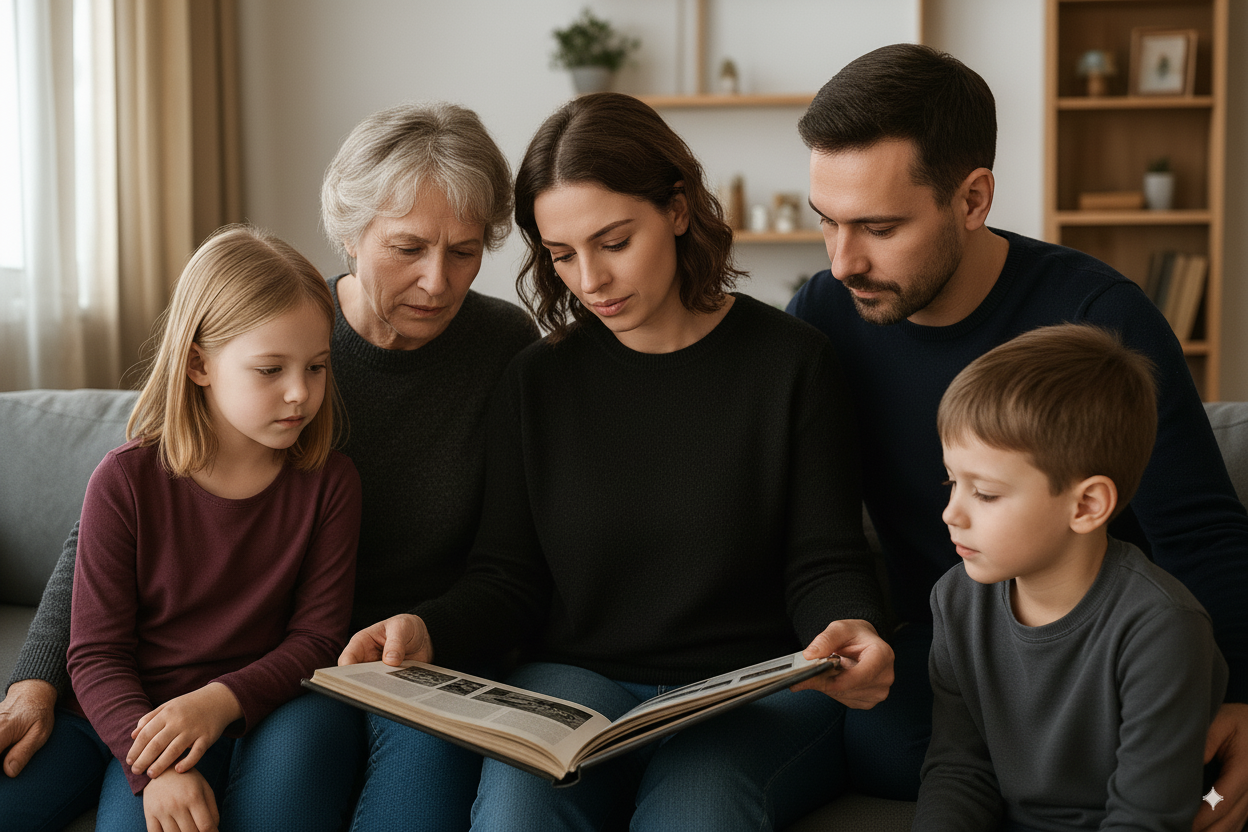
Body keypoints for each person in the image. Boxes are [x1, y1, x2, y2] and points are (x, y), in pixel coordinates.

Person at [341, 91, 894, 832]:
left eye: (613, 241)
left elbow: (823, 557)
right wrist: (426, 628)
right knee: (515, 817)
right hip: (572, 686)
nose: (589, 280)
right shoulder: (535, 379)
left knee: (694, 816)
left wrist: (848, 625)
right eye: (562, 255)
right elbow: (507, 578)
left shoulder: (792, 363)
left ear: (676, 208)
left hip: (745, 690)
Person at [1, 102, 539, 832]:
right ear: (350, 233)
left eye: (466, 252)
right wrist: (37, 674)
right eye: (408, 248)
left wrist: (431, 628)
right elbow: (120, 514)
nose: (438, 283)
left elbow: (510, 559)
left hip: (405, 661)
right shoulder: (283, 330)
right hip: (281, 666)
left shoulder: (503, 346)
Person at [786, 41, 1248, 830]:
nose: (843, 260)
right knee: (878, 746)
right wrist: (855, 623)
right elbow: (821, 525)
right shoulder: (824, 315)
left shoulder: (1102, 314)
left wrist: (1242, 695)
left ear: (972, 198)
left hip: (1104, 655)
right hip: (955, 653)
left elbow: (1202, 531)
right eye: (825, 222)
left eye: (879, 227)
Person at [0, 224, 362, 830]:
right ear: (199, 364)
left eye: (317, 368)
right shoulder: (125, 480)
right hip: (105, 713)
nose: (301, 393)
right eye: (270, 369)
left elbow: (318, 641)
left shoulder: (330, 484)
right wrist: (155, 769)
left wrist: (216, 706)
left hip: (220, 716)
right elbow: (94, 654)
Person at [917, 323, 1227, 830]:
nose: (952, 513)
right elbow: (959, 768)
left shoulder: (1163, 628)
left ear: (1086, 505)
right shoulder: (955, 601)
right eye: (952, 481)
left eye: (986, 494)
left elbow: (1145, 818)